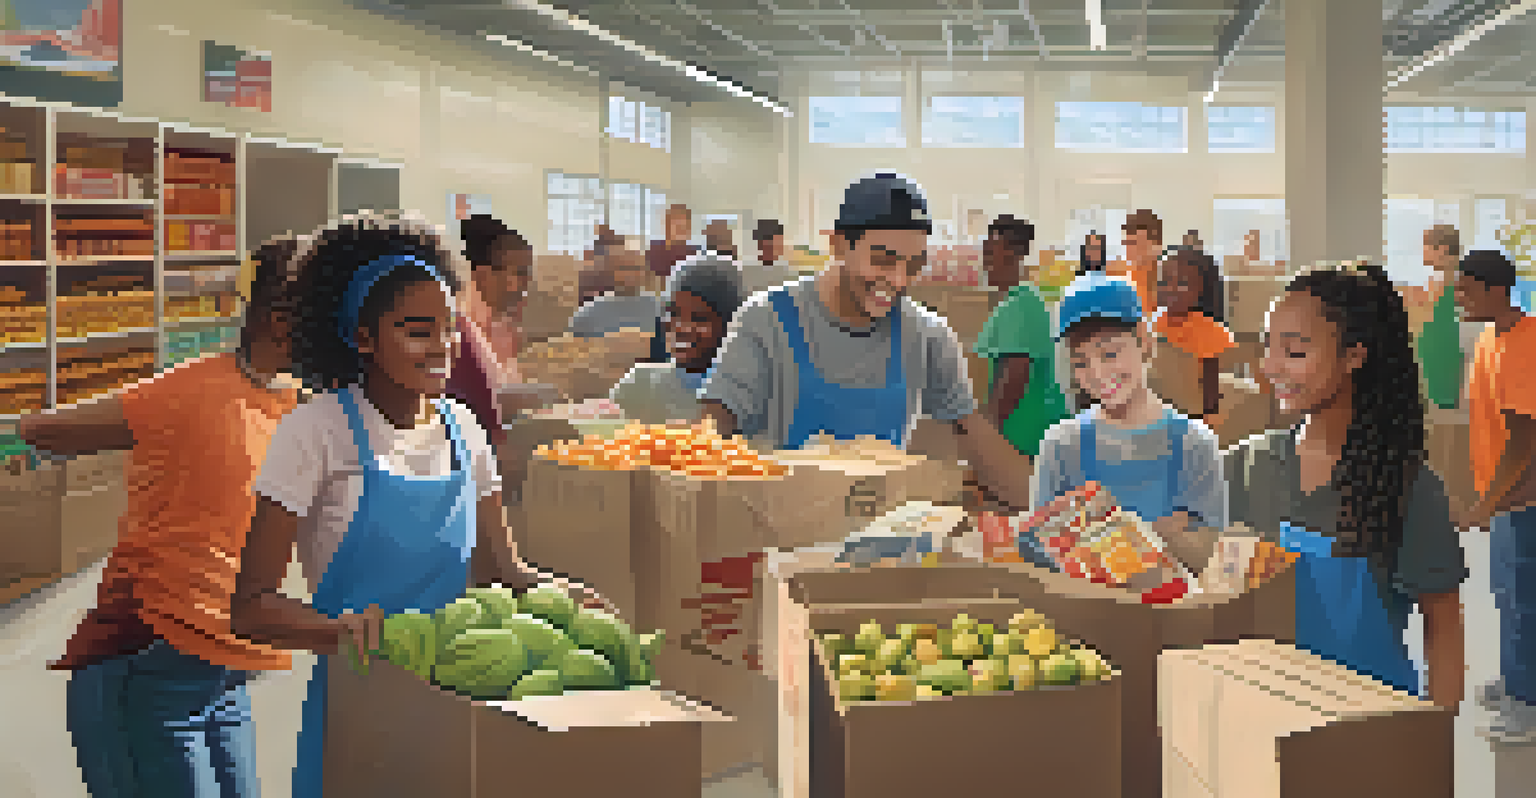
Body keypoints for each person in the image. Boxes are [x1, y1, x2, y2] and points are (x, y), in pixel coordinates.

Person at [229, 212, 613, 798]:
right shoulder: (317, 432)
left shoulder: (463, 429)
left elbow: (501, 571)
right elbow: (251, 607)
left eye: (450, 329)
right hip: (362, 707)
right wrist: (338, 630)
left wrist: (565, 598)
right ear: (362, 337)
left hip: (460, 697)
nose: (442, 348)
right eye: (416, 330)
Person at [20, 234, 305, 798]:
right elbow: (40, 430)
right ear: (279, 322)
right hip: (147, 658)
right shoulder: (188, 391)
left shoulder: (291, 400)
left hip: (222, 671)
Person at [697, 172, 1033, 509]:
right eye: (883, 260)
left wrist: (1051, 511)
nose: (899, 280)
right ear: (839, 245)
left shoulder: (927, 336)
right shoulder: (766, 321)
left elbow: (977, 439)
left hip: (878, 539)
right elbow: (710, 433)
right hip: (777, 539)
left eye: (912, 265)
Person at [1217, 262, 1466, 712]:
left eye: (1294, 352)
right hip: (1259, 711)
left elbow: (1444, 628)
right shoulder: (1244, 466)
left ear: (1354, 355)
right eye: (1268, 346)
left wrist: (1433, 745)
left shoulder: (1409, 487)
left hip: (1370, 727)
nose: (1270, 367)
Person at [1026, 273, 1228, 569]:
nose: (1096, 373)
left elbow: (1213, 559)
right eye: (1080, 362)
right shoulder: (1060, 445)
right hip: (1081, 610)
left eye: (1109, 354)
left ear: (1144, 341)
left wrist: (1096, 531)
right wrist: (1160, 532)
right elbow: (1038, 549)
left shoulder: (1194, 445)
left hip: (1172, 613)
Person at [1455, 249, 1536, 743]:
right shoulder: (1489, 339)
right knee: (1506, 596)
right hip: (1502, 494)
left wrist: (1489, 506)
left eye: (1466, 289)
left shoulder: (1526, 345)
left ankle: (1526, 706)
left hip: (1523, 498)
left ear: (1495, 290)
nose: (1459, 297)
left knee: (1522, 601)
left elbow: (1524, 440)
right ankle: (1515, 680)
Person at [973, 215, 1069, 459]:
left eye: (990, 252)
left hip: (1026, 435)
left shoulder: (1021, 305)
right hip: (1028, 431)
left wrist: (989, 433)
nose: (985, 262)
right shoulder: (1022, 301)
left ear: (1011, 255)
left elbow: (1017, 371)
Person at [610, 253, 747, 424]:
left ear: (731, 324)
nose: (681, 328)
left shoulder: (750, 396)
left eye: (699, 318)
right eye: (673, 314)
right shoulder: (640, 386)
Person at [446, 214, 533, 445]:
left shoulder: (506, 328)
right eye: (520, 273)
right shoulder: (458, 335)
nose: (526, 284)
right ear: (485, 276)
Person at [1152, 245, 1234, 419]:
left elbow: (1210, 399)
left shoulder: (1212, 332)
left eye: (1182, 283)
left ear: (1202, 289)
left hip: (1191, 419)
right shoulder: (1149, 325)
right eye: (1164, 281)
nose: (1170, 289)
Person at [568, 233, 663, 339]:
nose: (630, 274)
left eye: (636, 268)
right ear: (611, 272)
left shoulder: (658, 309)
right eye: (623, 268)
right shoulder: (587, 315)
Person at [1417, 224, 1465, 412]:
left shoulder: (1451, 281)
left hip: (1443, 353)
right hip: (1438, 352)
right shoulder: (1441, 279)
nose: (1422, 252)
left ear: (1442, 249)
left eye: (1425, 245)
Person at [1111, 209, 1163, 319]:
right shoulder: (1119, 277)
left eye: (1135, 243)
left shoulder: (1171, 279)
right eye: (1127, 243)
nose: (1129, 249)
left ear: (1156, 246)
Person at [746, 218, 799, 296]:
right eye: (777, 242)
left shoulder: (788, 270)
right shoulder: (749, 271)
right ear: (762, 243)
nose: (781, 245)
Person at [648, 203, 698, 279]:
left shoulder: (695, 252)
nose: (682, 230)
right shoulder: (655, 251)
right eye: (677, 226)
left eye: (685, 226)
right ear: (667, 226)